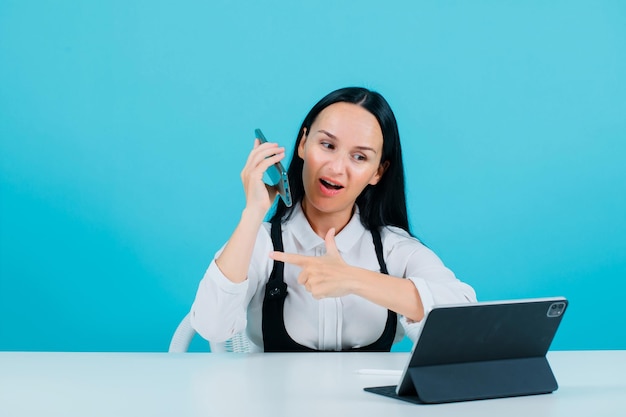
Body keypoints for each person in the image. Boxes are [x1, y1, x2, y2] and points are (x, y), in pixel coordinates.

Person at [190, 87, 476, 352]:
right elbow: (211, 326)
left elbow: (464, 323)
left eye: (360, 157)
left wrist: (353, 279)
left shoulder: (394, 249)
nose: (337, 167)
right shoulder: (263, 243)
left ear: (378, 172)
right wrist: (252, 213)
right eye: (327, 145)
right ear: (303, 144)